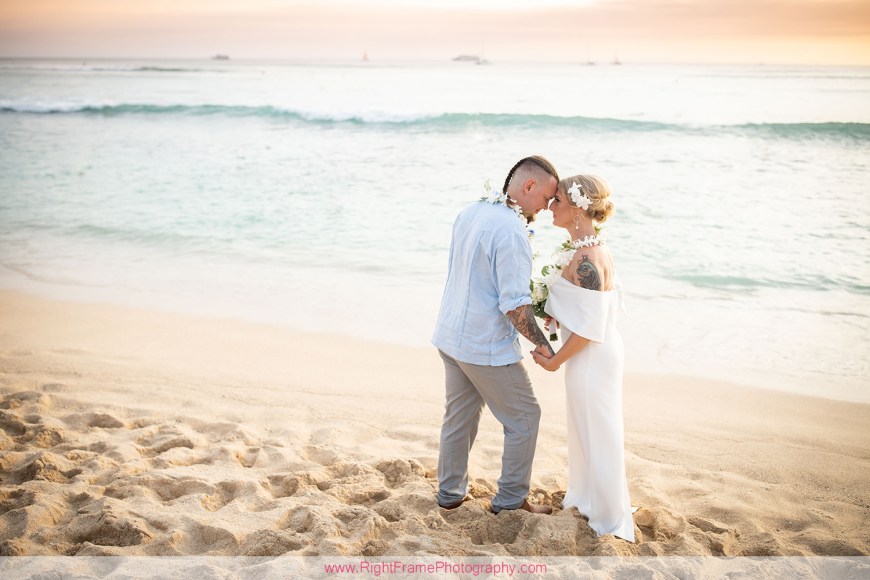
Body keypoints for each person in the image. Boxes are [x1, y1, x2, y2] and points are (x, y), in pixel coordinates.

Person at [432, 156, 558, 515]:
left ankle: (450, 494)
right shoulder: (511, 231)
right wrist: (543, 345)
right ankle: (510, 501)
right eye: (547, 198)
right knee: (524, 417)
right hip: (482, 344)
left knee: (459, 417)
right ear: (529, 187)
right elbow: (515, 306)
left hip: (451, 335)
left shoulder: (471, 211)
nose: (548, 207)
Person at [531, 174, 634, 541]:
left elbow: (591, 329)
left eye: (556, 200)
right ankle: (589, 496)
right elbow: (588, 313)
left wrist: (555, 360)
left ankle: (607, 513)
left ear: (576, 208)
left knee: (599, 429)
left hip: (592, 356)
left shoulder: (588, 259)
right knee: (587, 428)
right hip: (594, 351)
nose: (550, 207)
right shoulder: (589, 250)